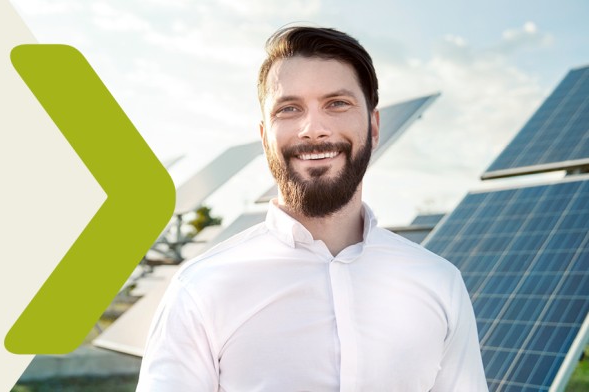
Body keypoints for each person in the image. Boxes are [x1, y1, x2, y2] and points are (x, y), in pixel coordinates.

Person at [136, 26, 487, 391]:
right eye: (289, 109)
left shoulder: (439, 284)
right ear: (264, 137)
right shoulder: (201, 290)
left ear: (374, 125)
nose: (313, 129)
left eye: (337, 104)